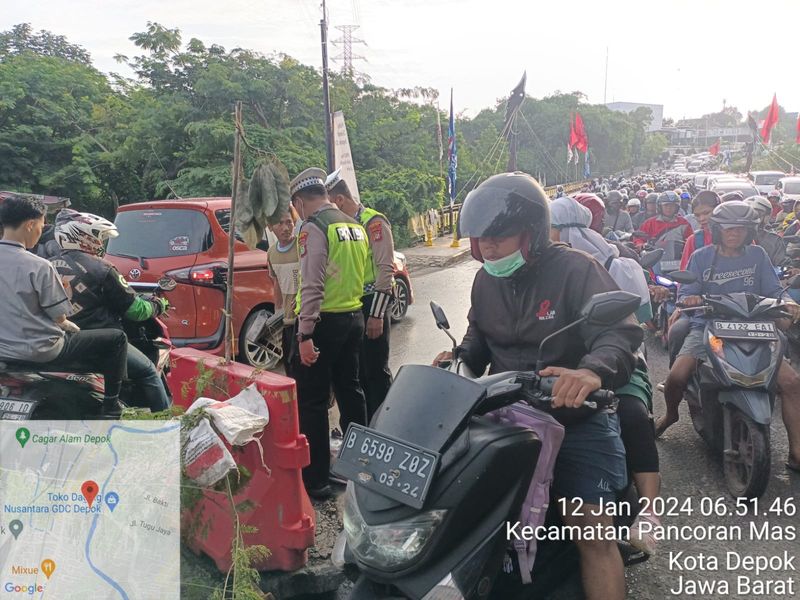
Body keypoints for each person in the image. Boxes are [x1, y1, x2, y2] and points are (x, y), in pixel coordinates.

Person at [435, 173, 643, 600]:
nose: (488, 247)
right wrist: (458, 358)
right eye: (481, 239)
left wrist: (590, 372)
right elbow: (479, 337)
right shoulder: (486, 279)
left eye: (500, 237)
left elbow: (620, 334)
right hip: (506, 418)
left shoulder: (576, 270)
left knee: (594, 537)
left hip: (576, 420)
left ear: (531, 233)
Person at [550, 196, 662, 554]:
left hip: (619, 363)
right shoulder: (535, 270)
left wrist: (599, 359)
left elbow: (635, 326)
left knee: (630, 414)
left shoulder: (615, 263)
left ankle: (649, 510)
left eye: (548, 229)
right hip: (559, 366)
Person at [656, 201, 800, 476]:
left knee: (792, 383)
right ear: (719, 230)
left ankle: (797, 451)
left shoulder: (757, 255)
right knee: (677, 376)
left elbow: (774, 289)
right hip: (709, 327)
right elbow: (686, 290)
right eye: (729, 230)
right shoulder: (701, 257)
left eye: (741, 230)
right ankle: (671, 413)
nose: (735, 235)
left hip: (756, 327)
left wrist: (787, 302)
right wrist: (690, 297)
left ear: (749, 231)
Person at [0, 195, 127, 416]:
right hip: (43, 351)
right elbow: (59, 317)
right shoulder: (39, 266)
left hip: (4, 351)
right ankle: (111, 406)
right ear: (30, 225)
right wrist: (68, 324)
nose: (41, 231)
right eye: (41, 225)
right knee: (117, 338)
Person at [290, 167, 370, 499]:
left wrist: (305, 334)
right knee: (351, 392)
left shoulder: (314, 227)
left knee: (312, 403)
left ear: (299, 201)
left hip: (323, 324)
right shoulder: (354, 224)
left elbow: (312, 283)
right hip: (353, 317)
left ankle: (317, 480)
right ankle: (360, 467)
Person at [46, 209, 171, 412]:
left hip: (61, 342)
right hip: (102, 344)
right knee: (149, 371)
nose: (100, 243)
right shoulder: (102, 268)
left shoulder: (47, 265)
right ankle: (167, 426)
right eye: (98, 238)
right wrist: (158, 305)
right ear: (84, 238)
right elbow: (135, 310)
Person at [326, 169, 395, 419]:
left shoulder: (372, 222)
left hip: (372, 304)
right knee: (357, 372)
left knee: (376, 371)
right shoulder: (343, 227)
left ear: (340, 200)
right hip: (352, 308)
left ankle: (386, 426)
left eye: (331, 204)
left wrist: (376, 315)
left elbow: (386, 269)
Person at [266, 209, 300, 380]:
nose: (286, 227)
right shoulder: (271, 253)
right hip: (287, 321)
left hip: (306, 318)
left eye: (289, 222)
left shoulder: (302, 247)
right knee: (290, 366)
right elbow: (276, 283)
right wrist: (277, 311)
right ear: (270, 226)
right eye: (280, 223)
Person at [745, 195, 785, 266]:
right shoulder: (732, 235)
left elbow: (780, 265)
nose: (750, 218)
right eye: (746, 213)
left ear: (766, 217)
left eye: (756, 214)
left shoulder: (774, 240)